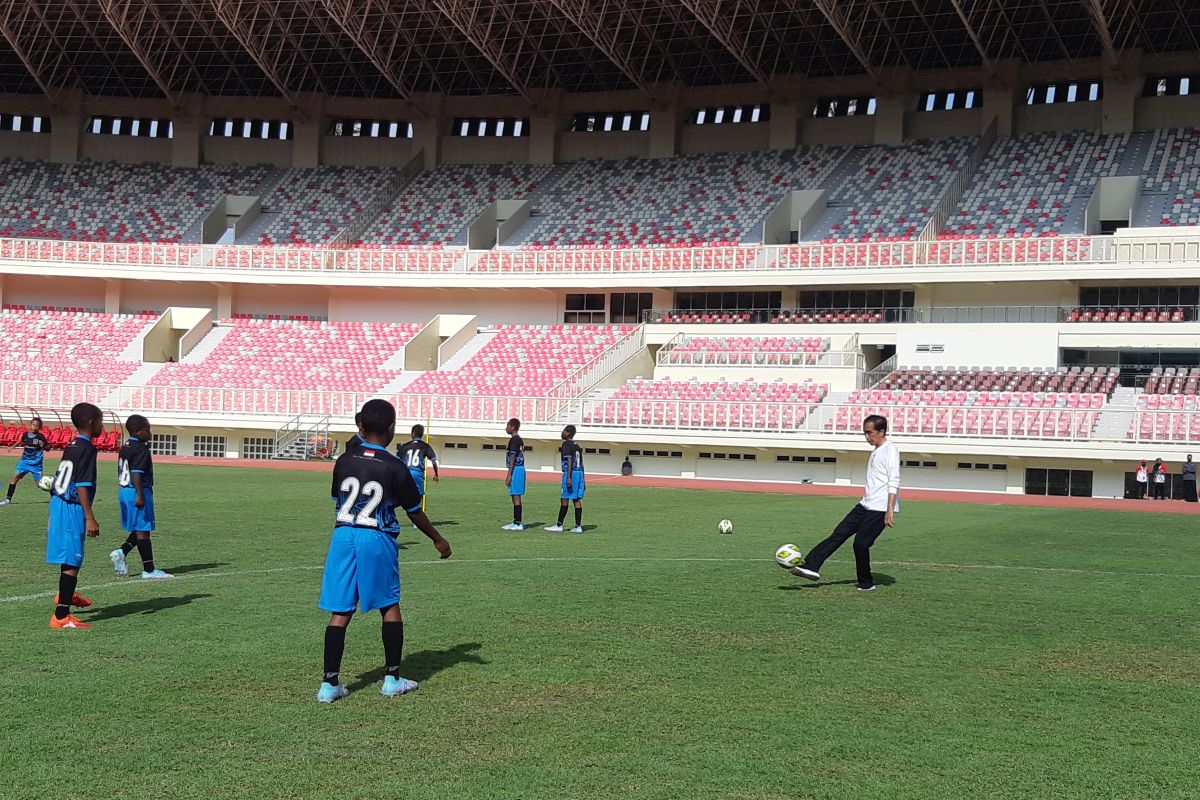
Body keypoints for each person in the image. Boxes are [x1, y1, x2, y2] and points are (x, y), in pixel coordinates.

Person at [316, 399, 451, 704]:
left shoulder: (344, 460)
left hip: (343, 535)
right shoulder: (395, 466)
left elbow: (339, 495)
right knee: (389, 605)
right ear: (391, 430)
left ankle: (329, 684)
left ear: (360, 426)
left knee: (341, 610)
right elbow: (414, 511)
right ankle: (391, 678)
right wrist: (437, 539)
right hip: (376, 538)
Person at [789, 415, 900, 592]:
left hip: (879, 508)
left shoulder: (890, 450)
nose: (867, 437)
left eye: (870, 433)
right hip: (865, 505)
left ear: (881, 431)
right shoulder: (876, 451)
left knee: (860, 544)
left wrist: (890, 509)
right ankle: (811, 565)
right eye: (865, 433)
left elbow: (894, 481)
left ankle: (866, 583)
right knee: (839, 534)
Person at [45, 403, 104, 629]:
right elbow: (81, 485)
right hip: (71, 505)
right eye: (100, 421)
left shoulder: (71, 445)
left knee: (69, 555)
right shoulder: (88, 448)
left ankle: (65, 595)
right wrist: (90, 516)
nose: (102, 426)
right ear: (91, 423)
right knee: (72, 558)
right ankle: (61, 617)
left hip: (59, 502)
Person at [109, 415, 173, 580]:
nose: (150, 433)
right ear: (138, 432)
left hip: (124, 490)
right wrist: (139, 494)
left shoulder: (126, 446)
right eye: (147, 430)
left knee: (139, 528)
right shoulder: (140, 448)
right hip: (136, 490)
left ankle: (121, 552)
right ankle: (149, 569)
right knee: (144, 531)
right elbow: (136, 472)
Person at [545, 425, 585, 533]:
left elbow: (570, 460)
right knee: (576, 500)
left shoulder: (566, 444)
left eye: (563, 431)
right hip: (579, 472)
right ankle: (578, 526)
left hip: (570, 473)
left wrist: (568, 478)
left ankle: (559, 525)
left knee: (564, 498)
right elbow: (581, 462)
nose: (561, 433)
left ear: (567, 433)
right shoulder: (577, 445)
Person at [2, 416, 50, 505]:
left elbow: (48, 447)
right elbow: (20, 440)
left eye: (37, 426)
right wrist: (12, 446)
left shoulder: (41, 437)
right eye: (33, 425)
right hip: (24, 462)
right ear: (30, 425)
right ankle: (8, 500)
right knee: (15, 478)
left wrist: (44, 446)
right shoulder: (25, 434)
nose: (34, 427)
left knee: (40, 485)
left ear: (39, 427)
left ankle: (54, 491)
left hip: (36, 464)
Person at [396, 424, 439, 500]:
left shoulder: (405, 446)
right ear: (422, 435)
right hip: (417, 474)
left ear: (412, 434)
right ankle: (418, 511)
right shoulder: (425, 446)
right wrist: (436, 474)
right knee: (419, 498)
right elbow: (434, 462)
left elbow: (397, 461)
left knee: (404, 498)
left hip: (406, 474)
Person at [501, 418, 526, 530]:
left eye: (508, 426)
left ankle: (518, 523)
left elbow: (512, 457)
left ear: (513, 427)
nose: (506, 428)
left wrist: (509, 474)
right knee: (514, 494)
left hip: (516, 468)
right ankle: (516, 521)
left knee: (516, 495)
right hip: (519, 468)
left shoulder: (514, 440)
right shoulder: (519, 439)